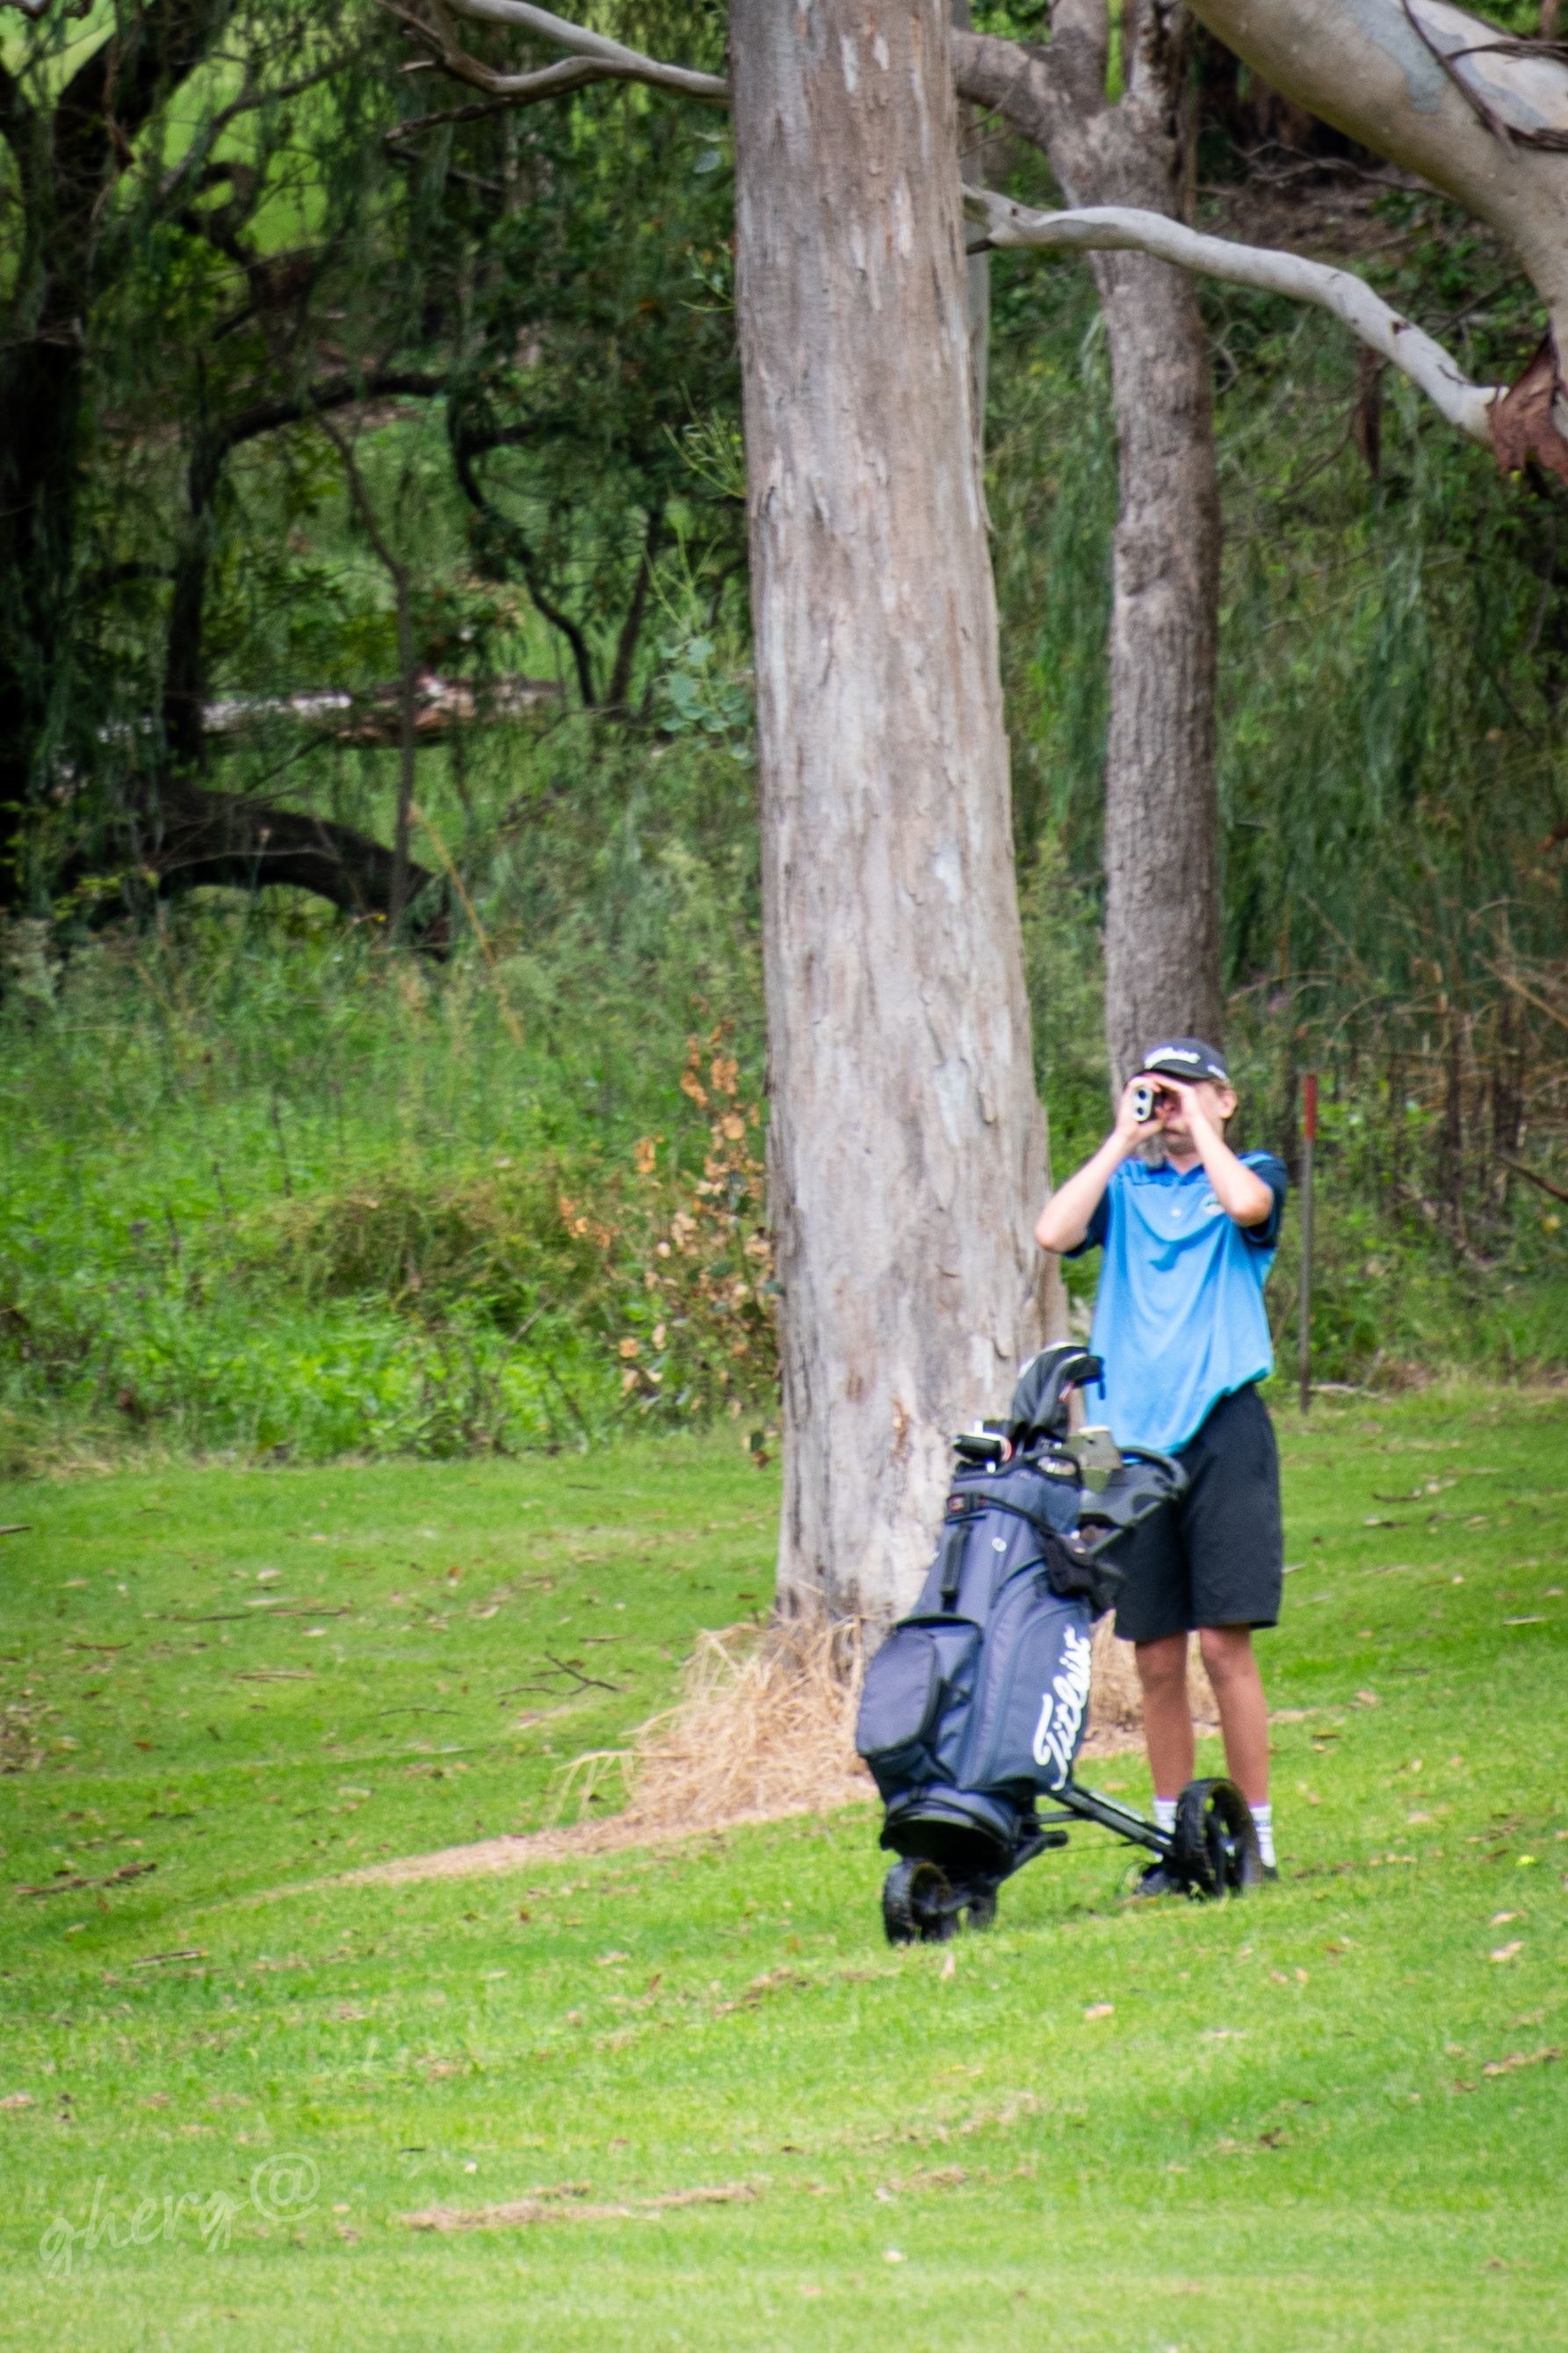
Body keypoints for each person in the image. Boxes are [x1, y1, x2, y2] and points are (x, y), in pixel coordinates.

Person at [1034, 1037, 1287, 1890]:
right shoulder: (1126, 1188)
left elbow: (1247, 1205)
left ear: (1225, 1097)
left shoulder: (1251, 1172)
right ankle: (1172, 1844)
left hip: (1223, 1422)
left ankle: (1252, 1841)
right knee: (1152, 1654)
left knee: (1223, 1645)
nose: (1169, 1105)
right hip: (1117, 1439)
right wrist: (1123, 1137)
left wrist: (1198, 1127)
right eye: (1157, 1090)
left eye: (1186, 1089)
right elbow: (1052, 1231)